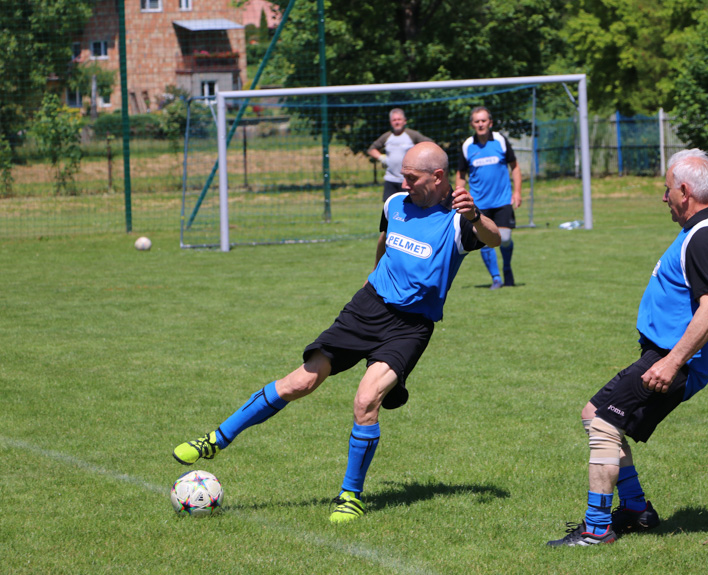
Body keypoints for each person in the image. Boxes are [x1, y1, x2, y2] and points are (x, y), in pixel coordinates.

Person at [173, 142, 500, 524]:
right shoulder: (395, 203)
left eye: (411, 177)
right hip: (366, 308)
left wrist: (476, 215)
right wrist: (375, 273)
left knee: (366, 401)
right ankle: (215, 440)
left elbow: (495, 237)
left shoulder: (459, 220)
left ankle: (350, 496)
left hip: (409, 327)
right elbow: (386, 239)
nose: (403, 181)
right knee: (299, 383)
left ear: (438, 177)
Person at [547, 149, 708, 547]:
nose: (663, 197)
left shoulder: (703, 236)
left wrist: (674, 361)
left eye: (667, 189)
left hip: (672, 362)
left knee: (602, 424)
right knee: (595, 414)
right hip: (668, 357)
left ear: (685, 191)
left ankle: (596, 529)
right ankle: (635, 508)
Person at [456, 106, 522, 289]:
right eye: (477, 121)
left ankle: (507, 268)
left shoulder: (500, 141)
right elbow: (460, 174)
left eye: (483, 120)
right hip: (479, 203)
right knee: (484, 239)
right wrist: (459, 195)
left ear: (490, 123)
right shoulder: (467, 145)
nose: (480, 124)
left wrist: (517, 192)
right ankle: (496, 278)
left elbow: (515, 167)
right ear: (472, 124)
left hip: (502, 200)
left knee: (505, 238)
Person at [367, 108, 433, 202]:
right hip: (391, 179)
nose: (397, 122)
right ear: (390, 122)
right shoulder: (387, 136)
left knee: (410, 206)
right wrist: (382, 158)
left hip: (408, 180)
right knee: (389, 206)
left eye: (399, 119)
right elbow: (371, 149)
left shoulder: (412, 135)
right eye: (394, 120)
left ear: (404, 121)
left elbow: (430, 144)